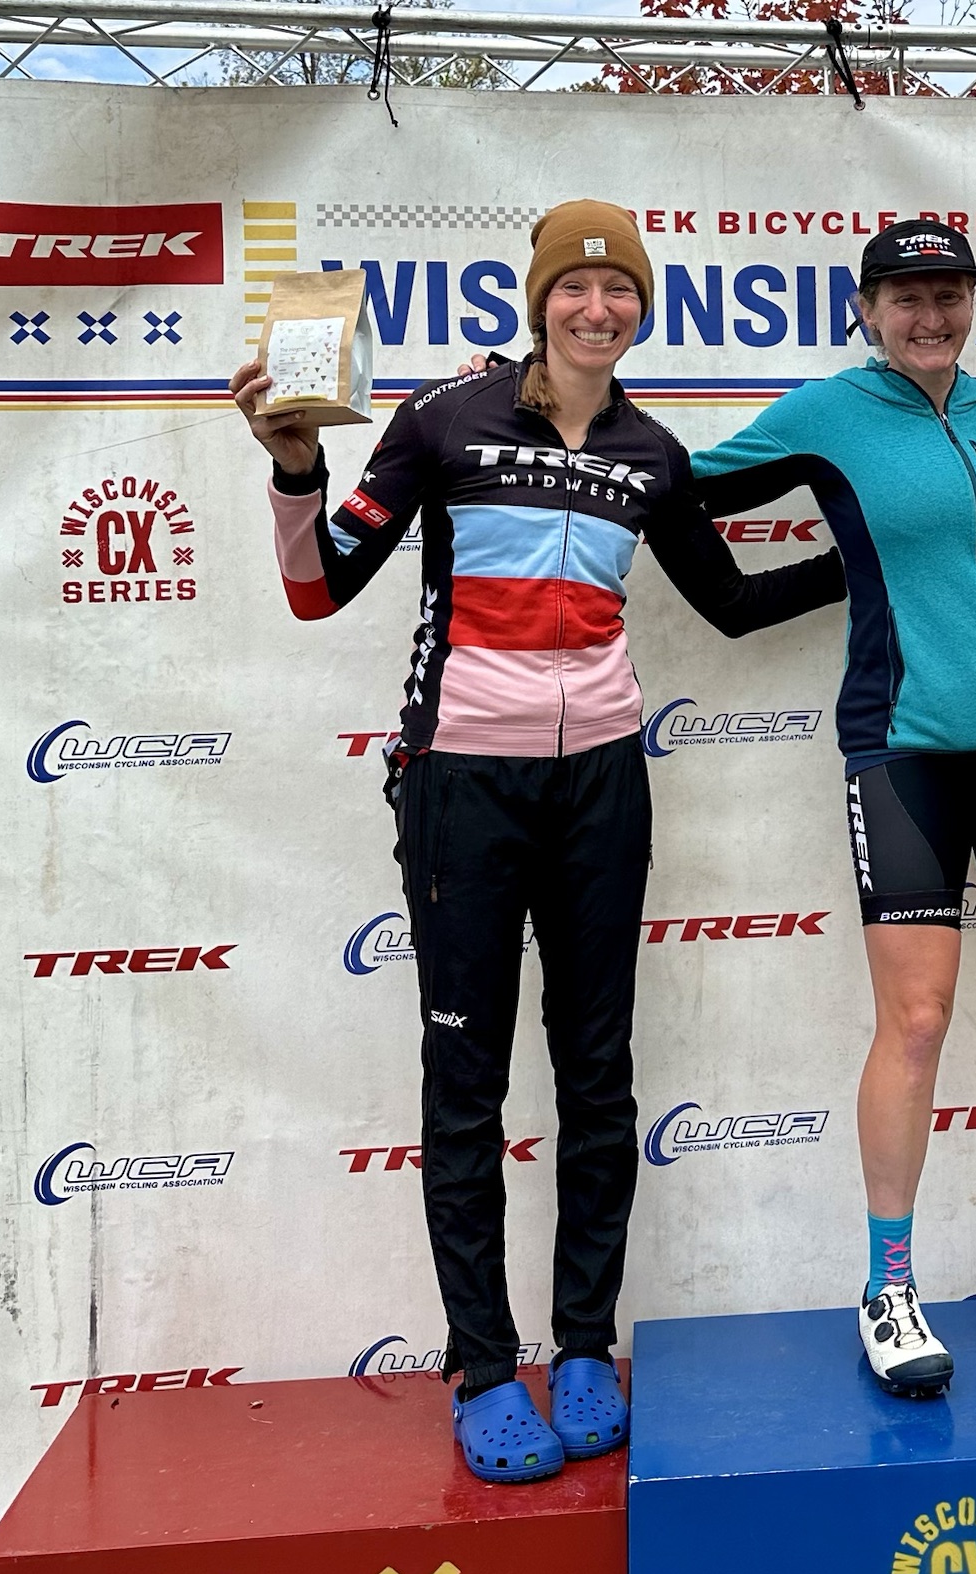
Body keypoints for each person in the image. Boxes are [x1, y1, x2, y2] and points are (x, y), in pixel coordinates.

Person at [230, 201, 843, 1482]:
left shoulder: (649, 452)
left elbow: (731, 604)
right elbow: (317, 588)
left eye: (620, 290)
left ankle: (582, 1345)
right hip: (461, 779)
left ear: (641, 310)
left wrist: (868, 551)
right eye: (575, 286)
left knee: (596, 1072)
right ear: (539, 299)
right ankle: (477, 1362)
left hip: (602, 781)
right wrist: (293, 471)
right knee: (465, 1082)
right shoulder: (443, 419)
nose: (596, 308)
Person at [688, 221, 976, 1396]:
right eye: (904, 297)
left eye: (947, 295)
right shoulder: (828, 415)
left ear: (974, 302)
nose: (927, 316)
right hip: (903, 754)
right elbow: (674, 487)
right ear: (866, 309)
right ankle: (887, 1287)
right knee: (920, 1021)